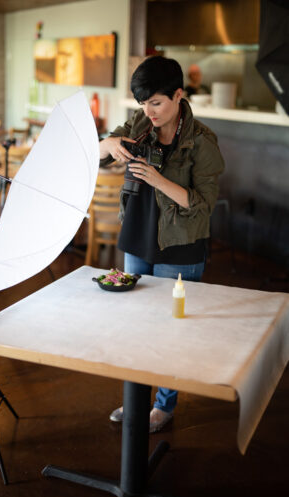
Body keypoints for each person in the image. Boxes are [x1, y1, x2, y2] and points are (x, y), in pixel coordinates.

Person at [99, 56, 224, 433]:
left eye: (155, 102)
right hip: (137, 236)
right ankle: (136, 401)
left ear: (178, 95)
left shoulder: (202, 142)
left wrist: (156, 179)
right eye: (142, 103)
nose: (147, 111)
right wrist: (109, 143)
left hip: (181, 245)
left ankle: (163, 407)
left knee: (172, 330)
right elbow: (99, 154)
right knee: (136, 324)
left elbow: (202, 204)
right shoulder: (139, 124)